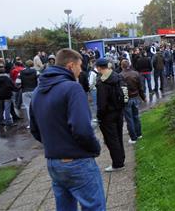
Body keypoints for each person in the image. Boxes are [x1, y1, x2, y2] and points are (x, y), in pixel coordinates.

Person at [29, 49, 105, 210]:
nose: (81, 70)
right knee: (94, 206)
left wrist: (56, 146)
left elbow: (35, 130)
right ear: (71, 66)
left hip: (54, 163)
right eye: (79, 66)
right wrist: (95, 148)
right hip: (77, 162)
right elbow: (82, 129)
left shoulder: (37, 92)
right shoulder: (72, 88)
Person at [95, 58, 126, 172]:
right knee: (118, 137)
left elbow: (101, 104)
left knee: (111, 140)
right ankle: (121, 159)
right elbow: (125, 92)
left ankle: (117, 164)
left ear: (99, 68)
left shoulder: (102, 82)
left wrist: (99, 117)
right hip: (119, 111)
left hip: (108, 115)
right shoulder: (117, 76)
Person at [120, 59, 145, 143]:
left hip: (127, 99)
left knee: (129, 119)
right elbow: (140, 87)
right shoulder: (135, 73)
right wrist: (143, 97)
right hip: (135, 97)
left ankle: (133, 137)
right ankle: (139, 134)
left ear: (121, 66)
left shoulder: (121, 75)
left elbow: (122, 90)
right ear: (129, 65)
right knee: (136, 116)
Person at [16, 60, 38, 128]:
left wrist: (21, 86)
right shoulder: (36, 71)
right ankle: (39, 122)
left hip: (25, 91)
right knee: (37, 107)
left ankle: (31, 124)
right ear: (32, 64)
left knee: (28, 108)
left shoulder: (20, 73)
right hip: (35, 91)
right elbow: (40, 81)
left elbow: (17, 83)